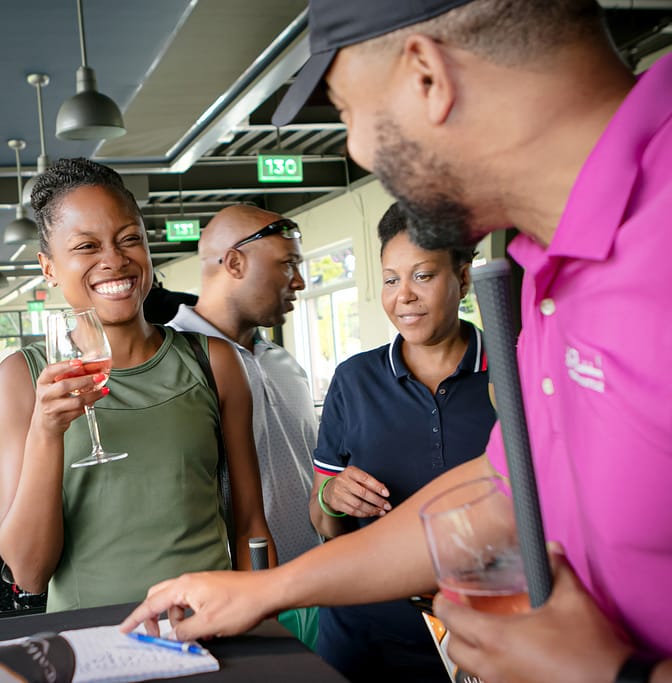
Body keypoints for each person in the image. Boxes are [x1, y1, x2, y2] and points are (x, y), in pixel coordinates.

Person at [121, 1, 672, 681]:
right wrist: (266, 589)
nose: (353, 150)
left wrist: (614, 675)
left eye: (351, 114)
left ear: (426, 78)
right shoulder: (544, 258)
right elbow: (506, 488)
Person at [0, 157, 275, 613]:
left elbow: (250, 527)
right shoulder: (22, 379)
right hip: (90, 647)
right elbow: (28, 571)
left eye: (130, 240)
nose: (114, 260)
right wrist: (46, 431)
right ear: (48, 267)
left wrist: (264, 628)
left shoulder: (213, 361)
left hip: (206, 632)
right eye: (86, 246)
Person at [309, 202, 494, 682]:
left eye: (423, 276)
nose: (404, 296)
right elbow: (324, 520)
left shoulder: (511, 374)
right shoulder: (354, 380)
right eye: (391, 280)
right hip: (363, 631)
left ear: (464, 278)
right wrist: (332, 496)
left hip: (484, 632)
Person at [168, 204, 320, 565]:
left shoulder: (285, 364)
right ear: (234, 264)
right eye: (287, 264)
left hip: (314, 585)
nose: (298, 281)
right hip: (230, 593)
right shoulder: (172, 363)